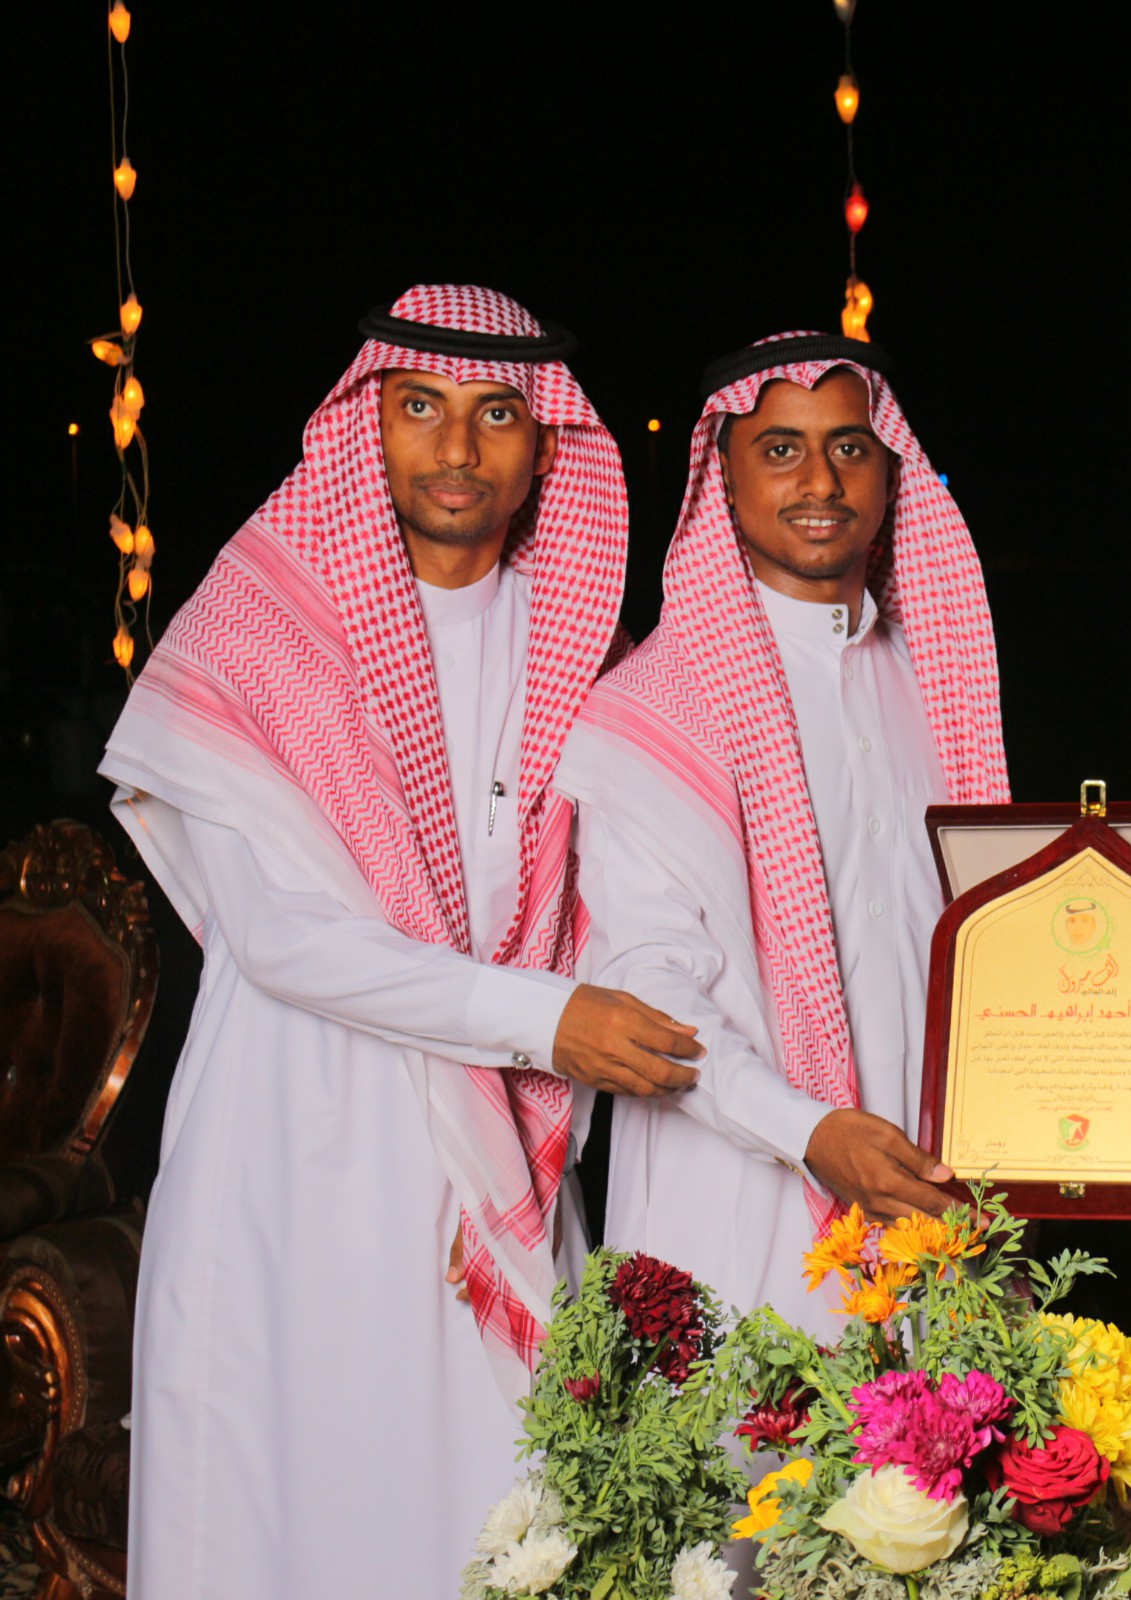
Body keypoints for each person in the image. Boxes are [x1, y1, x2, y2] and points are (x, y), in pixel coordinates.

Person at [100, 286, 702, 1597]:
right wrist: (548, 1023)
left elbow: (626, 903)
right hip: (296, 1131)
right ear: (367, 422)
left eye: (497, 415)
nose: (456, 448)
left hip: (497, 1144)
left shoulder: (586, 643)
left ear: (546, 448)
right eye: (421, 406)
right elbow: (286, 939)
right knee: (284, 1502)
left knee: (494, 1512)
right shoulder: (262, 625)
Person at [554, 333, 1008, 1336]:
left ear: (888, 467)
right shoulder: (653, 710)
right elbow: (650, 990)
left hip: (933, 1189)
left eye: (849, 447)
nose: (820, 481)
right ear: (722, 475)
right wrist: (810, 1133)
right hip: (736, 1202)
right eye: (780, 450)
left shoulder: (934, 681)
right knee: (750, 1432)